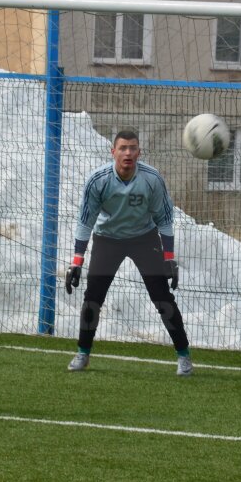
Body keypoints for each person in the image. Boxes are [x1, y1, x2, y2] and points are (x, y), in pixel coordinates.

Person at [66, 128, 192, 375]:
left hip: (144, 239)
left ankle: (184, 356)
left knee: (163, 300)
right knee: (92, 300)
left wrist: (168, 258)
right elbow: (85, 222)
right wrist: (77, 262)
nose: (128, 153)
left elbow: (165, 219)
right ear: (113, 152)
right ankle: (83, 353)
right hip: (107, 240)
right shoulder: (98, 180)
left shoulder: (151, 179)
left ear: (139, 152)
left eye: (133, 148)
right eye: (123, 148)